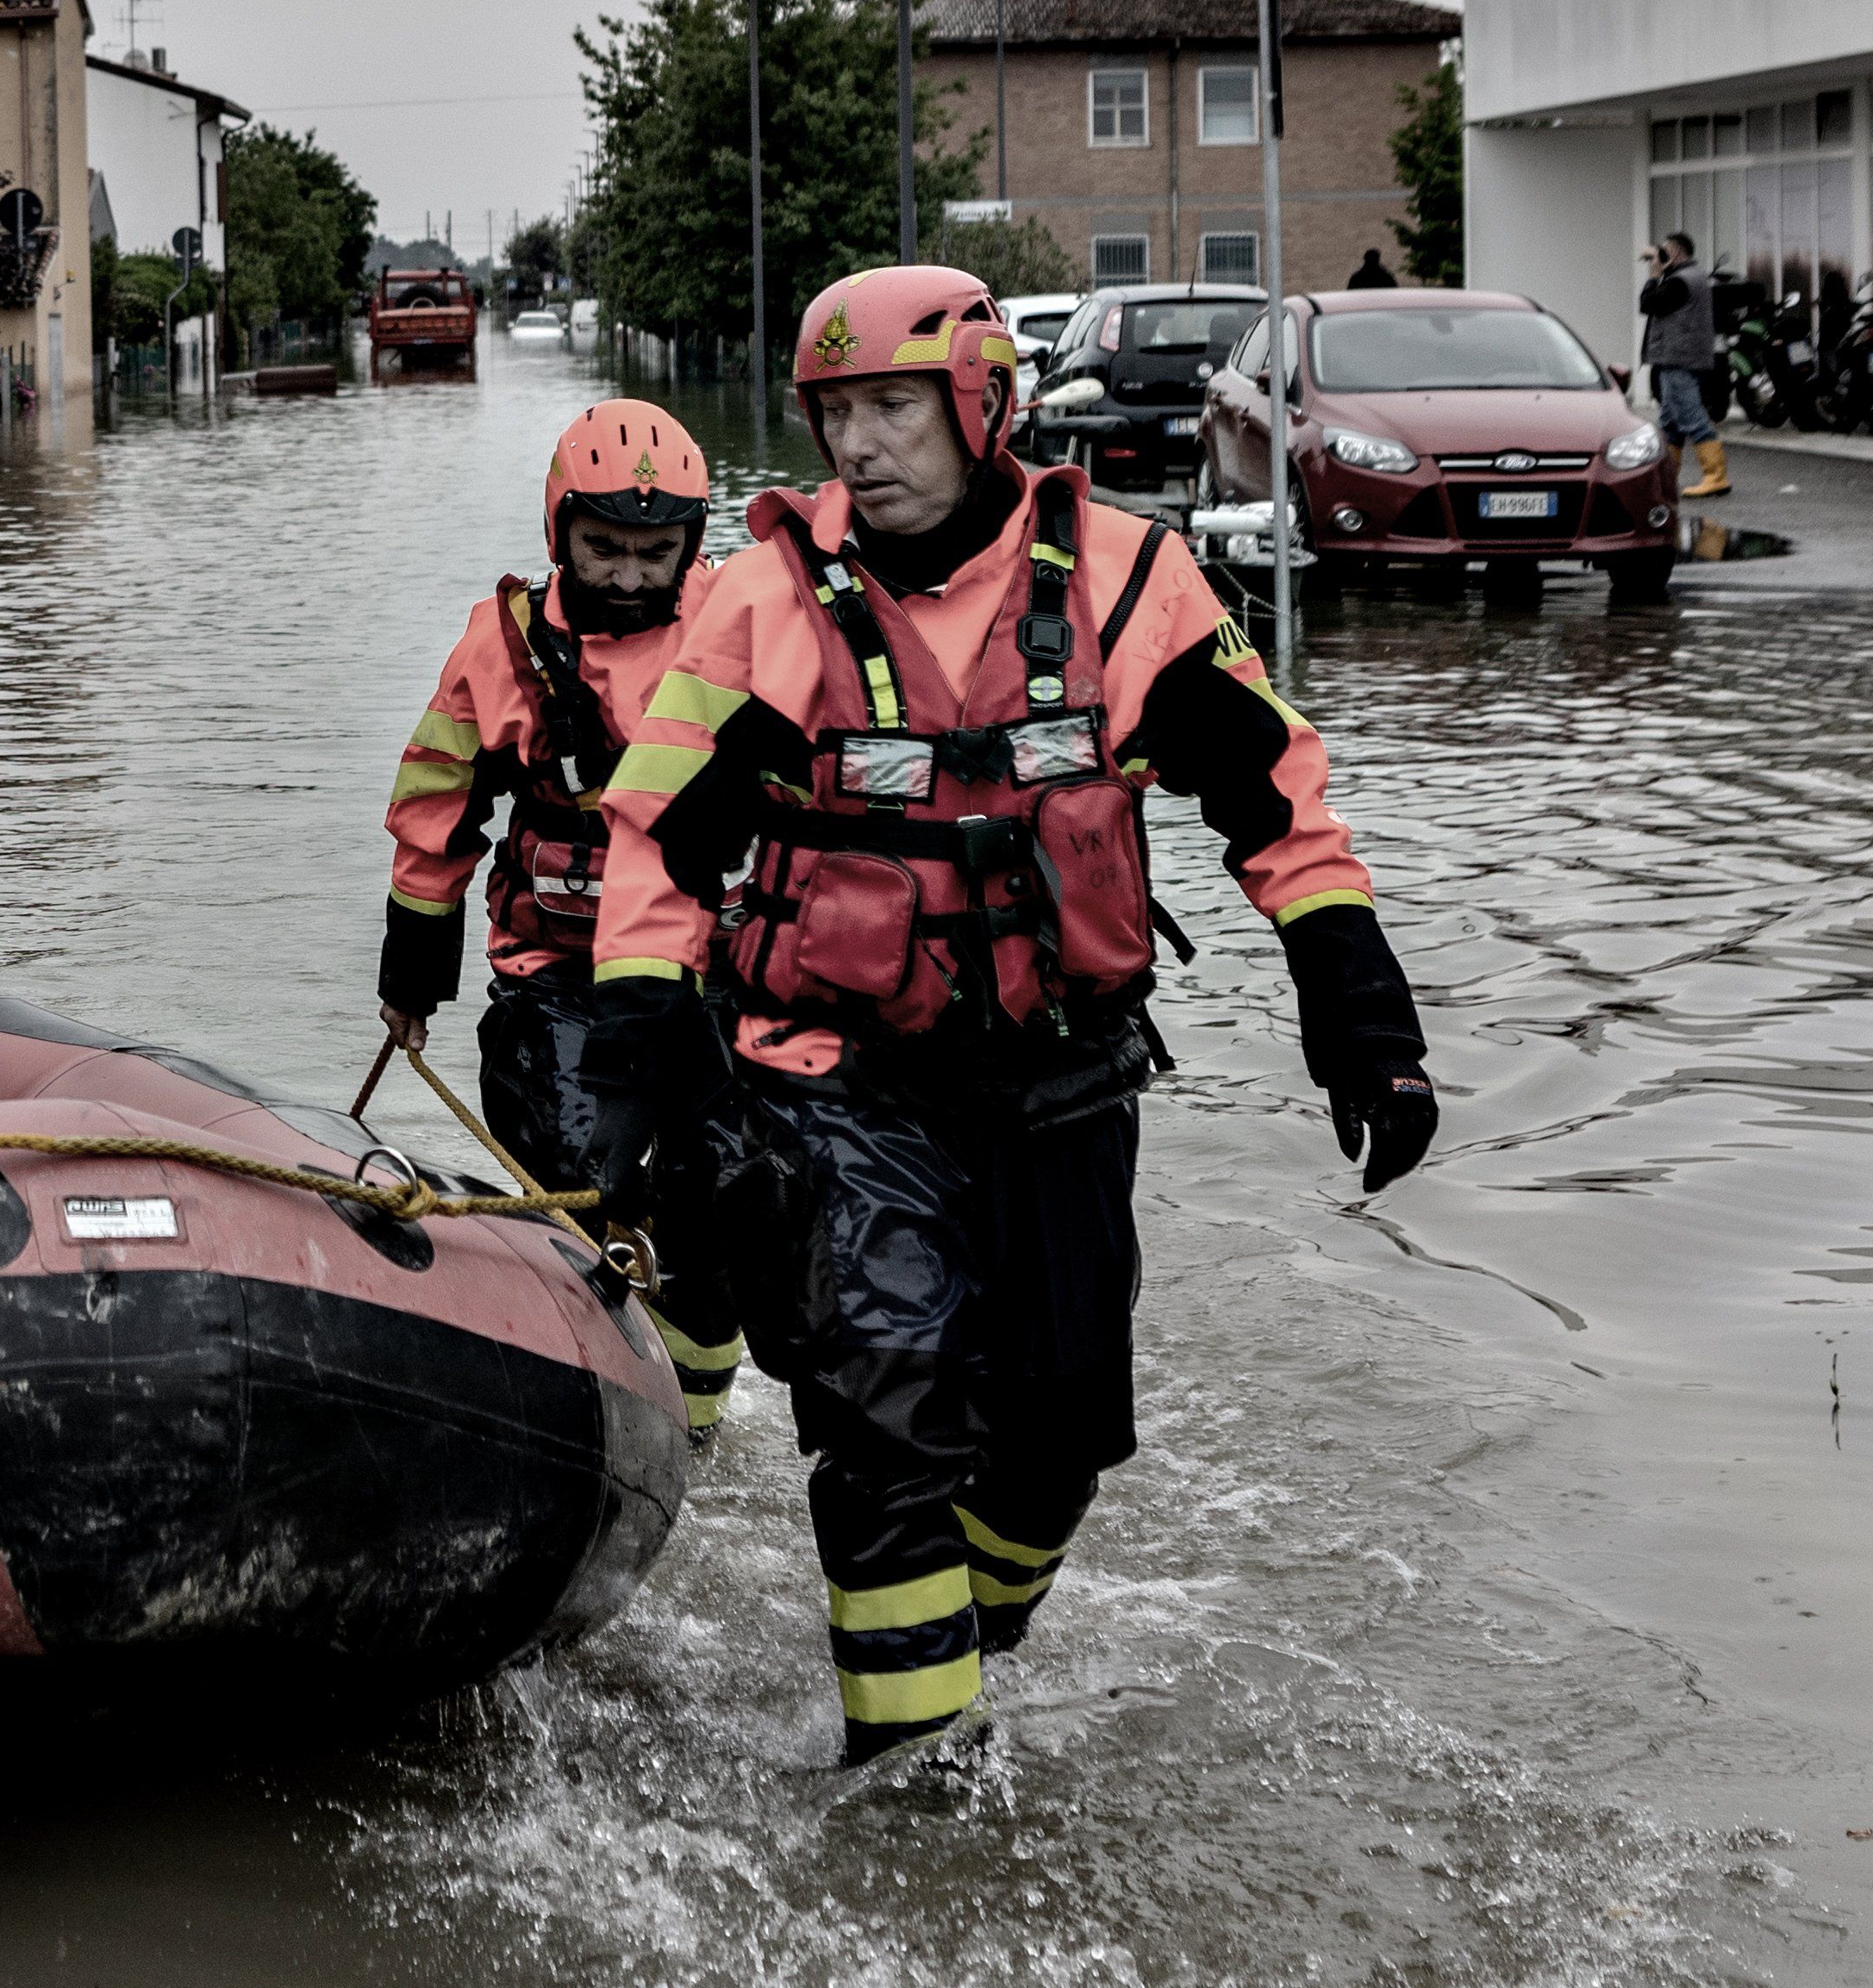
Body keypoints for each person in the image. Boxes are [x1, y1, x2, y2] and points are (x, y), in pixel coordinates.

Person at [592, 265, 1438, 1765]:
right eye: (834, 411)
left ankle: (951, 1644)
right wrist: (652, 1060)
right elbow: (658, 841)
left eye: (893, 407)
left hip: (1062, 1080)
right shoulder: (762, 600)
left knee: (1053, 1439)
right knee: (888, 1406)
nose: (858, 445)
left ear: (981, 404)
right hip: (829, 1078)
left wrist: (1359, 1018)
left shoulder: (1126, 579)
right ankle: (913, 1796)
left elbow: (1275, 802)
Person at [377, 401, 752, 1445]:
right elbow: (435, 808)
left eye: (655, 552)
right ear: (559, 531)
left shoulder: (745, 626)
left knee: (726, 1196)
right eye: (605, 549)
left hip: (709, 975)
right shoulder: (502, 648)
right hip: (559, 972)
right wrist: (412, 982)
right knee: (586, 1180)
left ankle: (695, 1432)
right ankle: (595, 1390)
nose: (630, 575)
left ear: (693, 541)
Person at [1639, 231, 1726, 497]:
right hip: (1682, 357)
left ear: (1675, 253)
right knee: (1670, 423)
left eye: (1664, 252)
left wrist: (1654, 276)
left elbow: (1648, 304)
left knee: (1690, 417)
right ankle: (1667, 479)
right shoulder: (1694, 276)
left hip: (1678, 358)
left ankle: (1716, 476)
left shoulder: (1680, 282)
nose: (1661, 258)